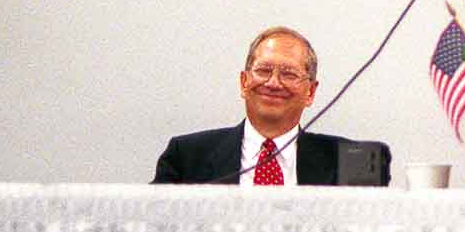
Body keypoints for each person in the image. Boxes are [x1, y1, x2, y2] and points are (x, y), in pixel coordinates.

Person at [153, 26, 391, 185]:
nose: (273, 83)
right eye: (264, 70)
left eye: (289, 74)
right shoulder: (186, 157)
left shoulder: (356, 162)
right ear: (244, 82)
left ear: (310, 92)